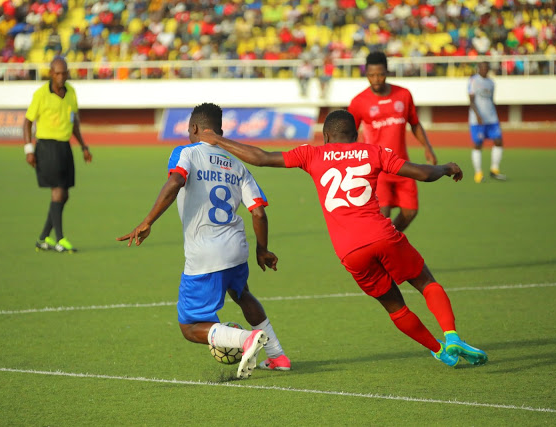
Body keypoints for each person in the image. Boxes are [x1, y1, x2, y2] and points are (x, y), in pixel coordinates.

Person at [198, 109, 488, 368]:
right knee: (425, 282)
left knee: (395, 307)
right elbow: (422, 174)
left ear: (326, 136)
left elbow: (261, 158)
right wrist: (446, 168)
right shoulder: (373, 151)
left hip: (350, 251)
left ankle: (439, 350)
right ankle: (452, 336)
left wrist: (218, 139)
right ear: (356, 134)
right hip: (382, 235)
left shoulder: (312, 154)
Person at [116, 103, 291, 379]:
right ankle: (278, 355)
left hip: (205, 254)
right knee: (241, 293)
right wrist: (262, 249)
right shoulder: (237, 163)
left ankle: (245, 339)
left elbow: (176, 181)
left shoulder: (186, 152)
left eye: (189, 130)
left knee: (189, 327)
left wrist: (148, 221)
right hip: (236, 248)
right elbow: (258, 212)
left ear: (194, 128)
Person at [348, 51, 437, 232]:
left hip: (403, 166)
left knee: (410, 211)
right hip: (377, 169)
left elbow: (414, 123)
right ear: (366, 74)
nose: (376, 79)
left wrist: (427, 147)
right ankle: (385, 244)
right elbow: (349, 133)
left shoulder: (403, 95)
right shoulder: (358, 102)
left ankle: (388, 241)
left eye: (380, 74)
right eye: (371, 75)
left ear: (387, 72)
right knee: (383, 214)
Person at [23, 57, 92, 253]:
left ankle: (43, 238)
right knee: (58, 192)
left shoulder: (71, 92)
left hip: (64, 147)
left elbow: (74, 122)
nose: (61, 76)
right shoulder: (41, 94)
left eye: (64, 73)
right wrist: (28, 149)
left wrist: (84, 146)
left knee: (65, 194)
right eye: (58, 73)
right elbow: (27, 122)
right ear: (51, 73)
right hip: (46, 146)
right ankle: (60, 239)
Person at [469, 61, 506, 183]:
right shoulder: (473, 80)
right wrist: (477, 115)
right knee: (478, 144)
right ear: (478, 68)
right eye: (482, 68)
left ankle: (494, 169)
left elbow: (491, 100)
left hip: (492, 118)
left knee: (498, 141)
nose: (484, 70)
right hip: (478, 120)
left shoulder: (491, 82)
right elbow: (471, 100)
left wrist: (495, 114)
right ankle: (478, 173)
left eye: (486, 68)